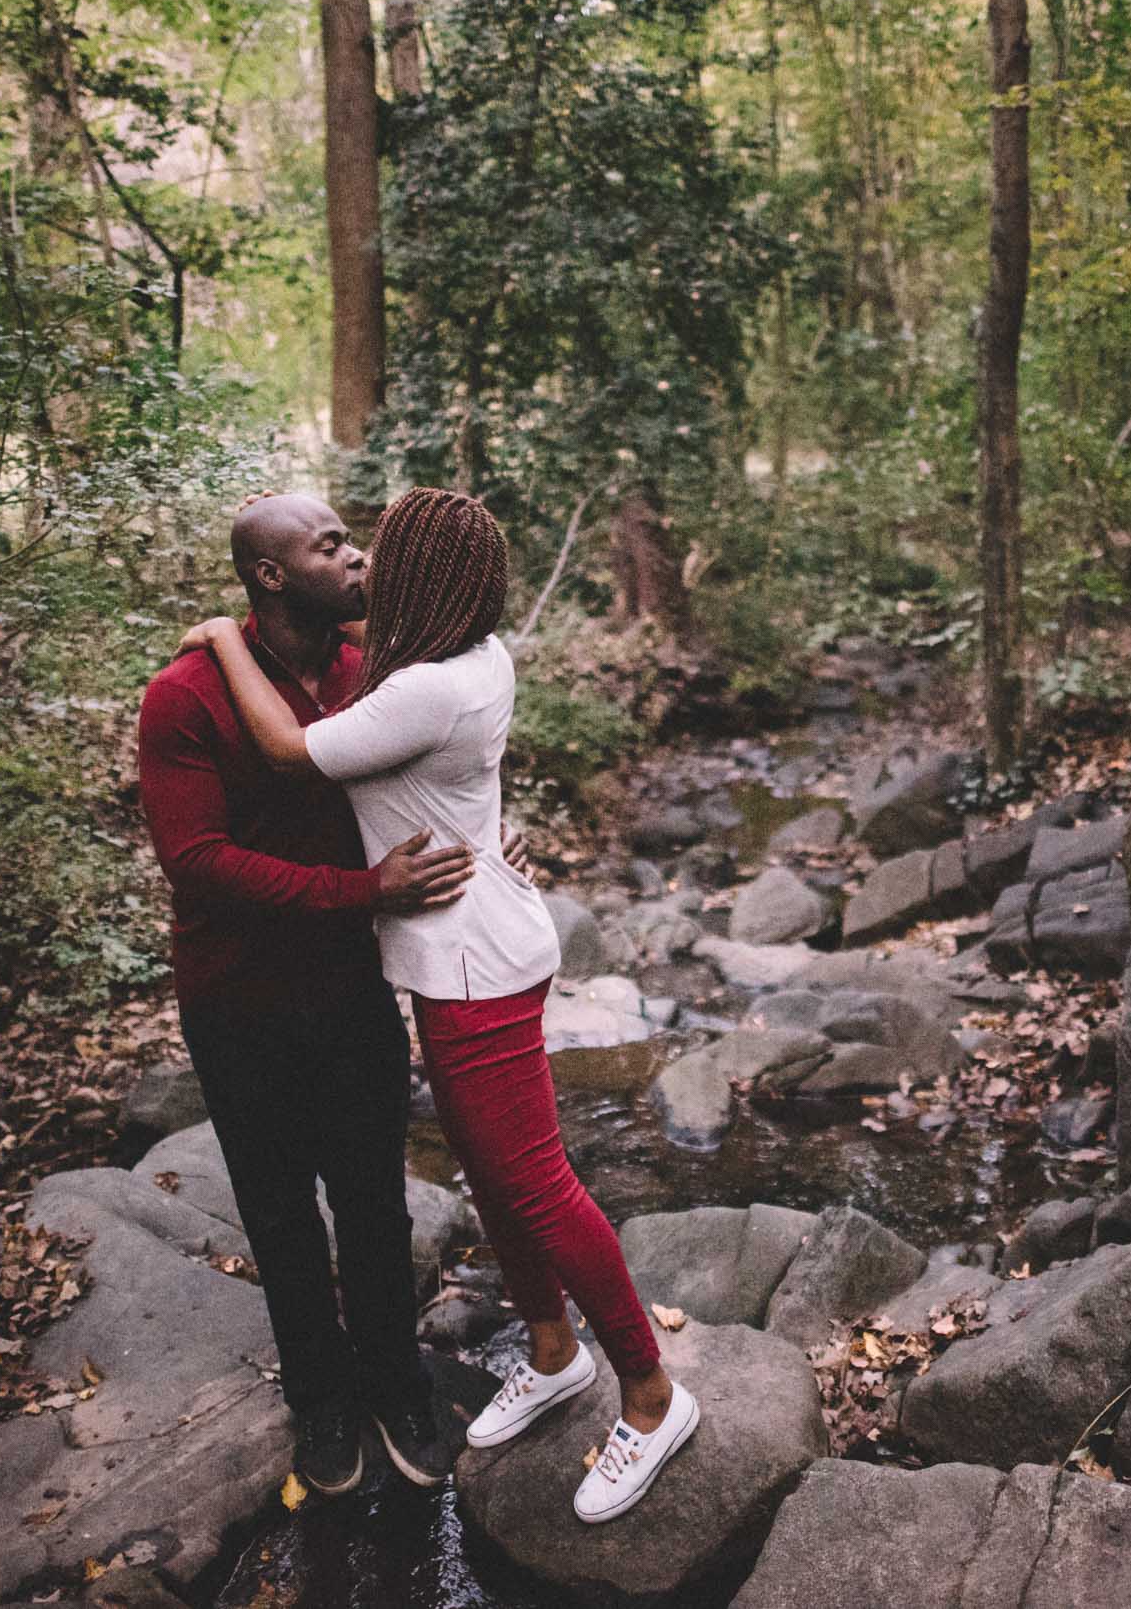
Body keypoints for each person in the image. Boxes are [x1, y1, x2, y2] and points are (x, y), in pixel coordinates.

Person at [179, 485, 696, 1525]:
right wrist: (487, 830)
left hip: (476, 968)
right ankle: (550, 1355)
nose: (363, 566)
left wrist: (220, 639)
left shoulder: (422, 688)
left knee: (535, 1183)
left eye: (379, 555)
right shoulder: (468, 654)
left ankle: (649, 1392)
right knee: (493, 1176)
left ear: (423, 583)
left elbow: (288, 750)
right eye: (346, 551)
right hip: (467, 944)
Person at [137, 492, 482, 1497]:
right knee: (280, 1214)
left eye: (353, 539)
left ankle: (395, 1385)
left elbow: (440, 777)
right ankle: (319, 1405)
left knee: (375, 1203)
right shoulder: (186, 695)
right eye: (330, 545)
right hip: (236, 998)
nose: (358, 556)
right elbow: (196, 861)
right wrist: (361, 892)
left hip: (352, 991)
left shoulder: (374, 670)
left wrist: (492, 837)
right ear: (269, 576)